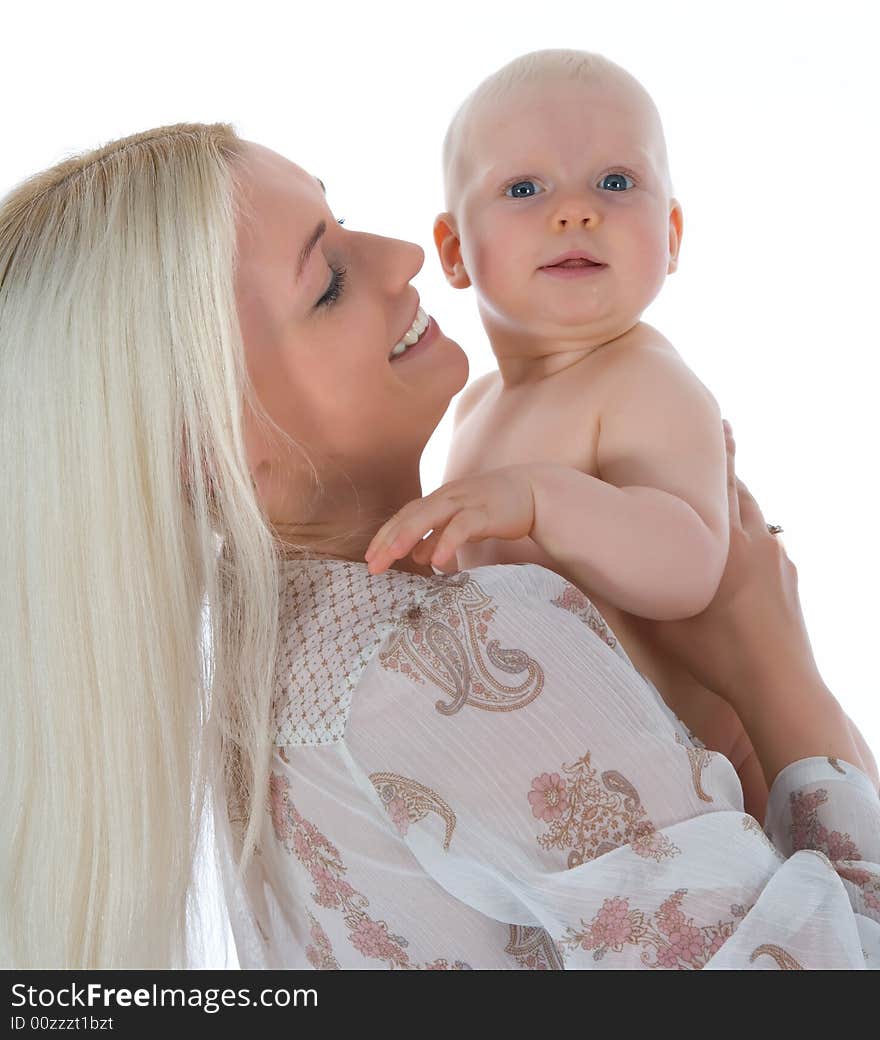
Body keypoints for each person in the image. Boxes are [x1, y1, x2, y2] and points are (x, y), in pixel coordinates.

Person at [1, 123, 877, 970]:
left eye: (340, 215)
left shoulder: (249, 675)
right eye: (330, 281)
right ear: (207, 442)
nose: (403, 255)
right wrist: (780, 676)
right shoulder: (452, 656)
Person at [364, 49, 764, 817]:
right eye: (524, 188)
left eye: (617, 183)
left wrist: (542, 499)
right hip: (583, 793)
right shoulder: (476, 407)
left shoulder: (643, 380)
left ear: (672, 234)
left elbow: (689, 569)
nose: (577, 210)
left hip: (717, 796)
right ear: (453, 252)